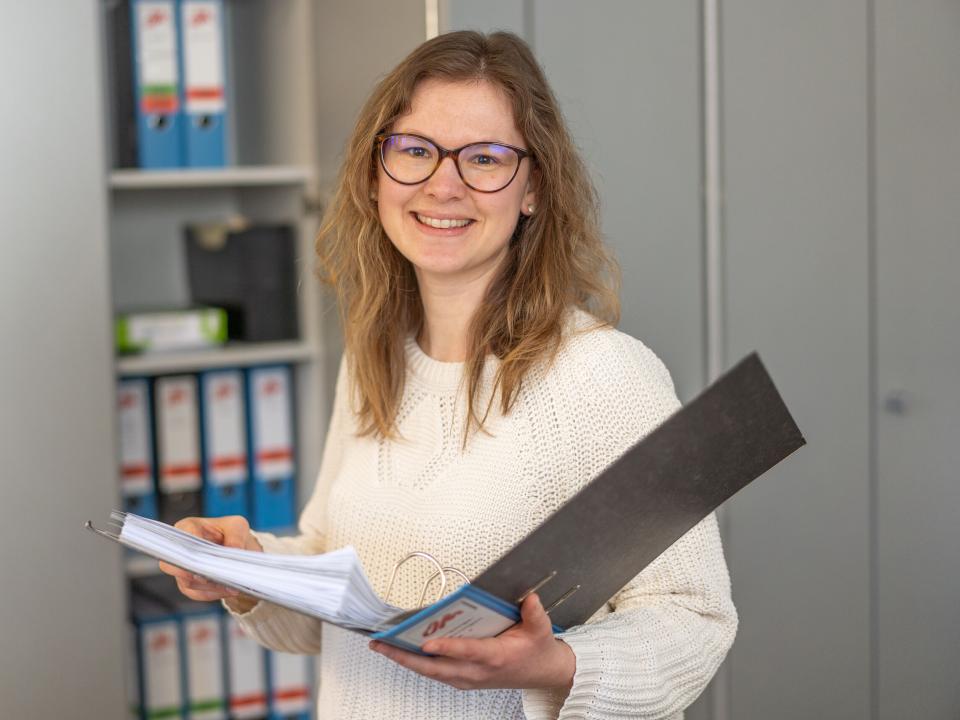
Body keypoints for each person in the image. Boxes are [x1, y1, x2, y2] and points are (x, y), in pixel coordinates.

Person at [161, 30, 737, 720]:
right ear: (376, 174)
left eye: (485, 158)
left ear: (533, 189)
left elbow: (694, 620)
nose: (443, 183)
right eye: (415, 150)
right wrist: (246, 566)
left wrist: (557, 667)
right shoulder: (376, 356)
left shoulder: (604, 376)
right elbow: (332, 592)